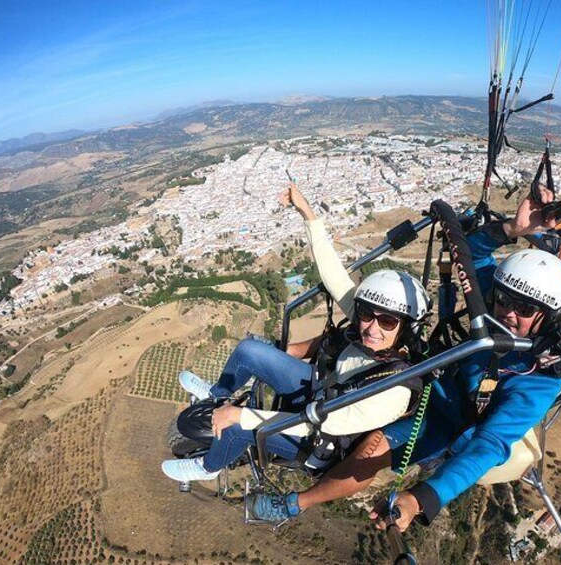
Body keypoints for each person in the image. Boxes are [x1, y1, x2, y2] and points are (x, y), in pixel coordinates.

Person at [249, 187, 561, 529]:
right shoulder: (495, 303)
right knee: (347, 338)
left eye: (524, 308)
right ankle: (271, 368)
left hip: (444, 417)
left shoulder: (539, 377)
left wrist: (422, 498)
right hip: (425, 371)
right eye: (503, 299)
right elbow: (471, 254)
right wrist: (513, 229)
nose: (507, 312)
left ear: (549, 317)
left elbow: (489, 444)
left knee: (370, 451)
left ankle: (293, 504)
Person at [160, 182, 431, 522]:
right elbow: (334, 276)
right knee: (250, 351)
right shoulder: (372, 331)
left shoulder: (395, 390)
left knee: (238, 427)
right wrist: (308, 213)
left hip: (319, 441)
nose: (371, 328)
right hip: (318, 389)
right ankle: (217, 394)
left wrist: (239, 416)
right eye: (366, 314)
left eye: (387, 321)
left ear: (407, 327)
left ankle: (209, 465)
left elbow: (322, 422)